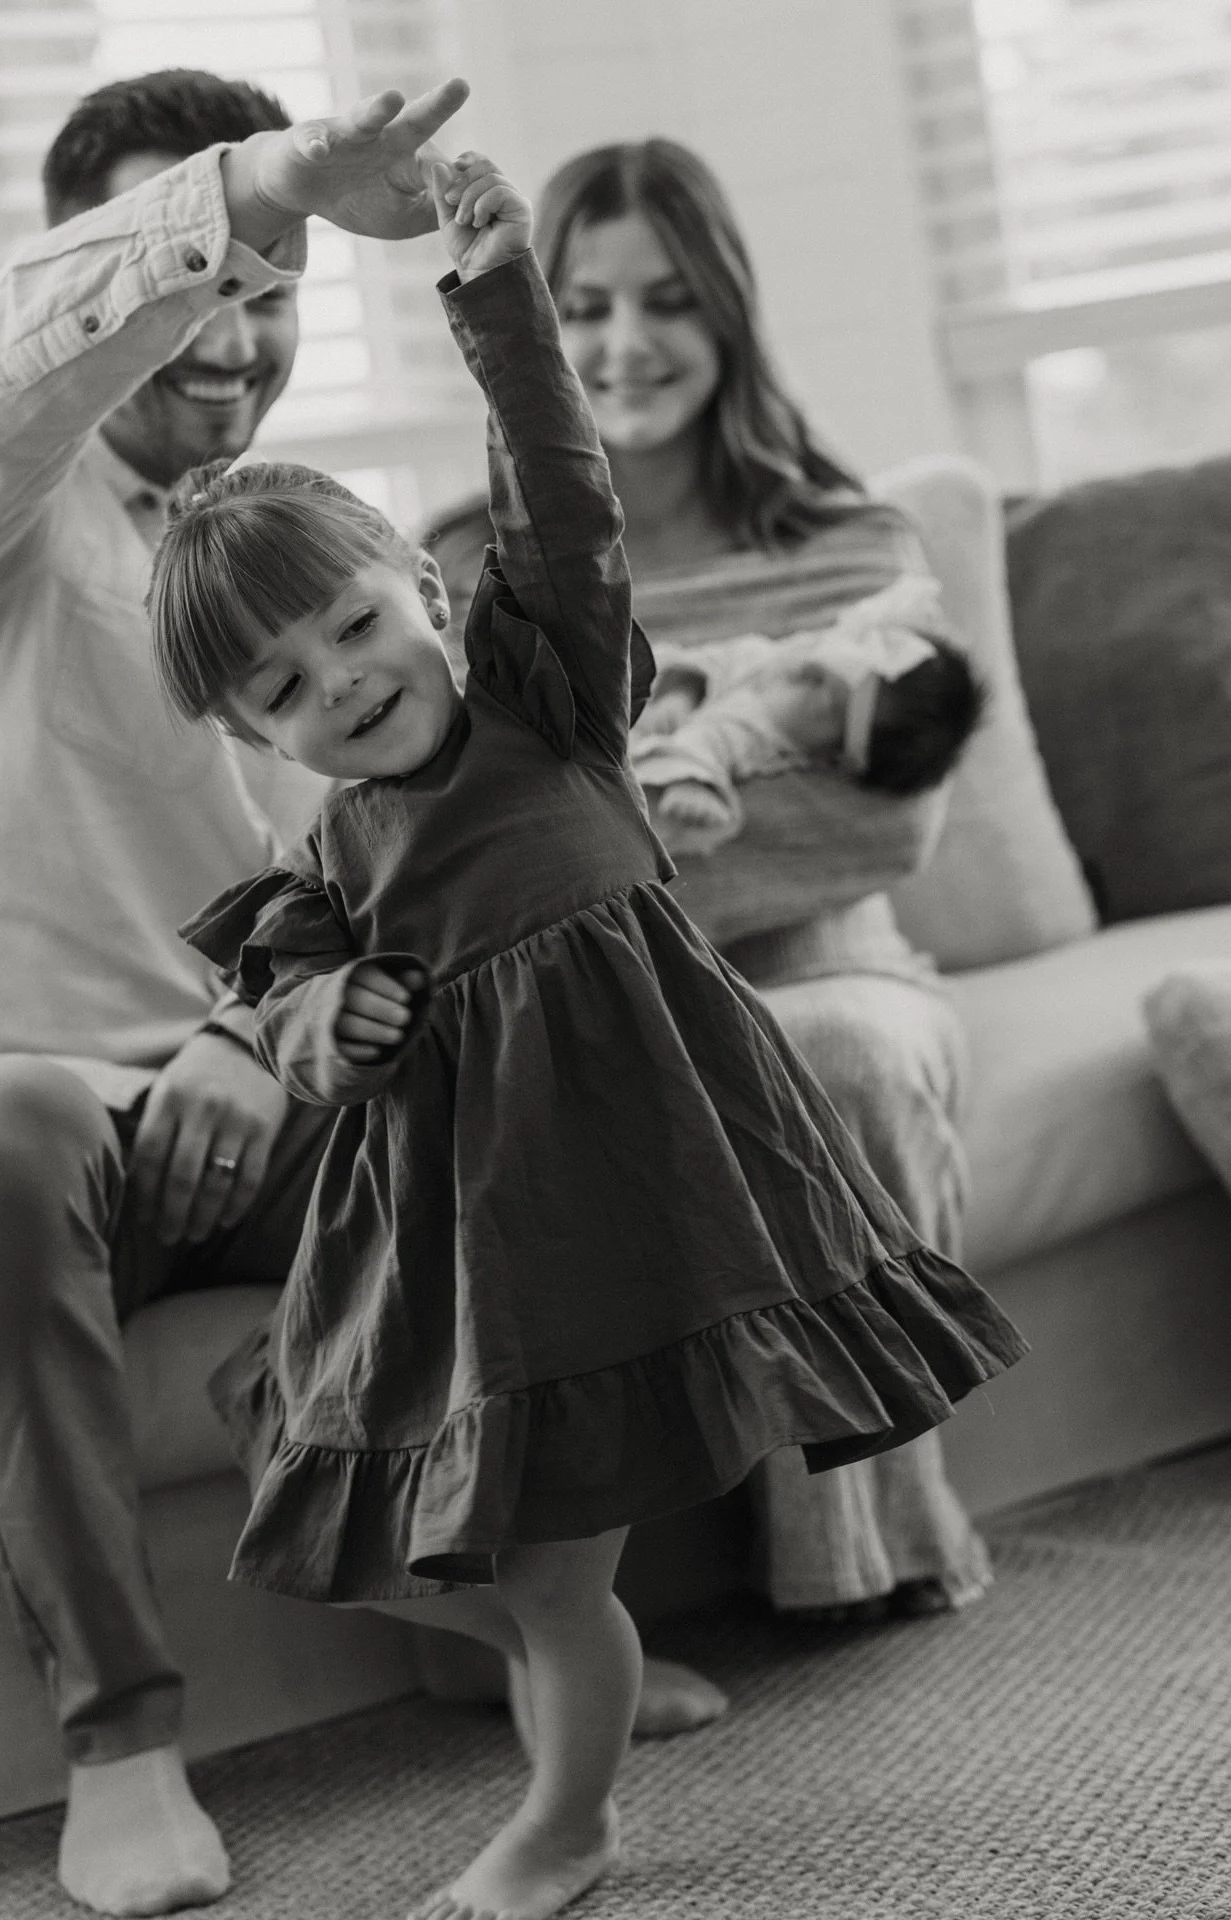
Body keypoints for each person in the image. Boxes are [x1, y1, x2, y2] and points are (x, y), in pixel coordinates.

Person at [149, 153, 1025, 1920]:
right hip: (480, 1256)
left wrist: (496, 288)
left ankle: (563, 1819)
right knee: (446, 1549)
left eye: (354, 626)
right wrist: (331, 1013)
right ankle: (566, 1726)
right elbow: (282, 1009)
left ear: (424, 582)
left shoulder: (546, 697)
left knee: (558, 1587)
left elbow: (559, 489)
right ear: (255, 731)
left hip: (640, 1201)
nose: (342, 683)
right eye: (285, 689)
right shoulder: (326, 854)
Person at [0, 67, 474, 1918]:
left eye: (274, 295)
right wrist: (258, 192)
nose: (238, 334)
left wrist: (259, 1037)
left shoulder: (276, 572)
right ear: (92, 271)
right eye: (208, 283)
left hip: (224, 1106)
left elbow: (358, 889)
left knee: (476, 1068)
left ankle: (512, 1616)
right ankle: (119, 1749)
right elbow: (13, 364)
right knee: (12, 1122)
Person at [427, 136, 996, 1624]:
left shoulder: (851, 540)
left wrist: (605, 844)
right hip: (595, 1015)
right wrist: (727, 798)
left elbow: (888, 835)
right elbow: (456, 851)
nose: (625, 343)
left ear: (730, 311)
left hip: (836, 965)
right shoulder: (465, 562)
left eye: (667, 300)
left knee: (835, 1056)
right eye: (586, 304)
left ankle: (866, 1562)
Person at [632, 574, 984, 853]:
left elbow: (715, 739)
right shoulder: (778, 661)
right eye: (837, 652)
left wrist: (694, 783)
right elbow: (716, 660)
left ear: (834, 756)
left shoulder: (766, 737)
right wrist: (681, 693)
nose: (812, 668)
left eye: (826, 698)